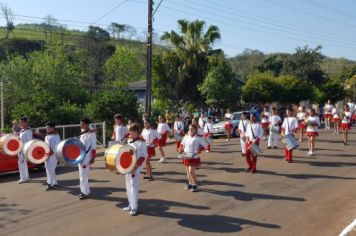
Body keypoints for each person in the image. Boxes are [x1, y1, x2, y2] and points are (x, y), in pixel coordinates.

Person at [122, 123, 147, 216]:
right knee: (128, 185)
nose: (129, 133)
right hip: (128, 166)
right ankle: (130, 204)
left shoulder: (142, 142)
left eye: (131, 131)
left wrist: (135, 167)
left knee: (133, 186)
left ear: (136, 131)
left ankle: (134, 207)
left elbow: (143, 156)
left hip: (136, 167)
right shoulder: (129, 141)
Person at [178, 124, 207, 192]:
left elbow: (205, 145)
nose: (190, 130)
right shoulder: (186, 137)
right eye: (189, 128)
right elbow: (182, 144)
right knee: (188, 172)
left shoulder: (198, 138)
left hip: (194, 157)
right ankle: (190, 184)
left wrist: (200, 149)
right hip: (186, 156)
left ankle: (195, 185)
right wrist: (180, 148)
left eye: (192, 129)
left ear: (195, 130)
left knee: (191, 171)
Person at [77, 118, 96, 200]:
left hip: (87, 157)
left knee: (84, 175)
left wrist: (93, 158)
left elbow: (93, 147)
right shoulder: (83, 131)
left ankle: (85, 192)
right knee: (81, 175)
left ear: (87, 124)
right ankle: (84, 191)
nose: (81, 125)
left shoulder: (92, 133)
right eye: (81, 124)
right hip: (80, 156)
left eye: (82, 124)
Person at [44, 122, 61, 191]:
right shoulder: (46, 136)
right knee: (48, 168)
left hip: (53, 155)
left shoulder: (56, 136)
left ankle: (50, 184)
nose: (46, 129)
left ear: (52, 128)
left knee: (50, 169)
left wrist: (52, 151)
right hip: (47, 155)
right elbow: (45, 145)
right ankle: (55, 183)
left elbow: (58, 145)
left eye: (48, 127)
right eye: (46, 128)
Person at [18, 116, 32, 184]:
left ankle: (23, 178)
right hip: (20, 149)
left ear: (26, 123)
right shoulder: (21, 131)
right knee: (21, 163)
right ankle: (26, 177)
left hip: (24, 149)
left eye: (22, 122)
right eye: (20, 122)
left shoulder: (28, 131)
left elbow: (30, 141)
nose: (20, 123)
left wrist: (26, 149)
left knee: (22, 163)